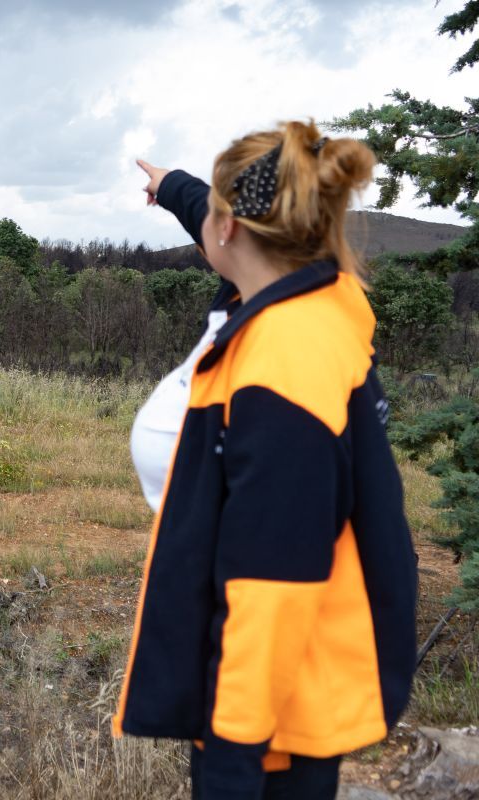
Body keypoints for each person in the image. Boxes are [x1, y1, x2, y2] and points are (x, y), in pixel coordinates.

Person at [113, 120, 418, 800]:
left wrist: (230, 756)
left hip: (275, 709)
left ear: (232, 230)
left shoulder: (284, 365)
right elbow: (217, 226)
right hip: (288, 685)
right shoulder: (314, 294)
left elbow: (272, 584)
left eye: (214, 216)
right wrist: (176, 189)